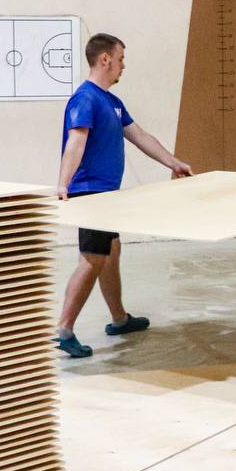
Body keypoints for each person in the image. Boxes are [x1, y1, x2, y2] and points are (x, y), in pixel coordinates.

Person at [54, 32, 193, 359]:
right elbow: (76, 141)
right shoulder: (85, 98)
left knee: (111, 251)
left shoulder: (112, 102)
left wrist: (173, 163)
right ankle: (64, 329)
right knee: (93, 258)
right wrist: (62, 184)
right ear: (104, 59)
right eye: (120, 59)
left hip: (107, 195)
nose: (123, 66)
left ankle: (119, 318)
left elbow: (140, 136)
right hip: (91, 194)